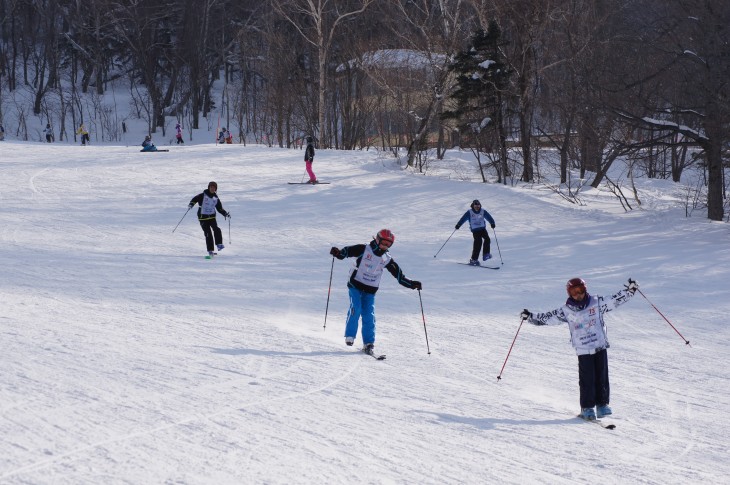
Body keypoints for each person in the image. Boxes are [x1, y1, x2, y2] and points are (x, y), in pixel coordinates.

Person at [521, 277, 639, 421]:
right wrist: (530, 317)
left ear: (585, 289)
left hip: (599, 346)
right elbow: (547, 318)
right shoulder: (566, 311)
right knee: (587, 379)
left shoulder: (597, 303)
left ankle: (602, 405)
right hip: (583, 349)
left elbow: (614, 300)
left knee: (602, 377)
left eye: (581, 290)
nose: (578, 294)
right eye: (574, 292)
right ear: (569, 293)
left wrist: (630, 291)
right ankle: (587, 407)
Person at [329, 229, 422, 353]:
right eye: (383, 242)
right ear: (377, 240)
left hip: (370, 289)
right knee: (355, 308)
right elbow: (346, 252)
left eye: (388, 244)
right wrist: (338, 253)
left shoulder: (387, 258)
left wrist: (411, 284)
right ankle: (350, 336)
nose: (385, 246)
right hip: (355, 284)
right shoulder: (363, 249)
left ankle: (368, 342)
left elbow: (399, 276)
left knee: (369, 315)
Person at [188, 181, 230, 257]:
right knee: (208, 233)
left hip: (212, 217)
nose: (212, 189)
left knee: (217, 229)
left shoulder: (216, 198)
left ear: (215, 189)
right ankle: (210, 250)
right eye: (211, 187)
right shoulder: (202, 195)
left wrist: (225, 214)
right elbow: (194, 199)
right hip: (202, 218)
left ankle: (219, 244)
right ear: (209, 187)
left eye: (214, 188)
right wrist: (191, 204)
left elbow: (219, 208)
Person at [455, 199, 496, 265]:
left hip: (482, 229)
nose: (477, 207)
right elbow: (463, 218)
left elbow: (489, 217)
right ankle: (474, 259)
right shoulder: (469, 212)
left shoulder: (483, 211)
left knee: (487, 239)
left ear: (480, 206)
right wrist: (458, 224)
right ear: (473, 206)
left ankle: (486, 255)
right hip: (475, 230)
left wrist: (492, 223)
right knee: (478, 242)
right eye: (476, 205)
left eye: (478, 205)